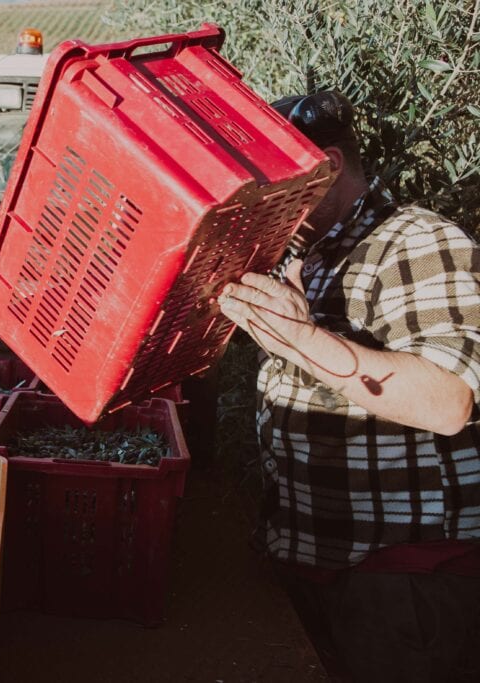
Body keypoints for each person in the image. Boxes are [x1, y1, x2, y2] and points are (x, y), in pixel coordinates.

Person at [217, 90, 480, 682]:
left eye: (274, 178)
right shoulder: (315, 254)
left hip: (405, 577)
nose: (262, 195)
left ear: (329, 166)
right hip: (327, 563)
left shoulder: (418, 242)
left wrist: (303, 340)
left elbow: (449, 402)